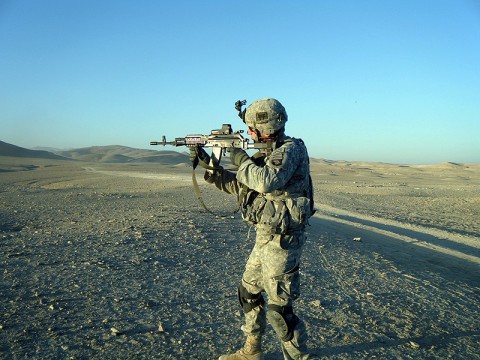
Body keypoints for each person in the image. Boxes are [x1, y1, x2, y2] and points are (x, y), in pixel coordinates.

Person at [190, 98, 314, 360]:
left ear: (265, 128)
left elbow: (266, 181)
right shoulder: (266, 154)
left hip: (283, 241)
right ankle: (252, 350)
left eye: (251, 129)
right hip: (265, 236)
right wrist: (211, 167)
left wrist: (238, 155)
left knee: (280, 312)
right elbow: (244, 188)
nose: (248, 133)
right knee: (248, 291)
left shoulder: (290, 150)